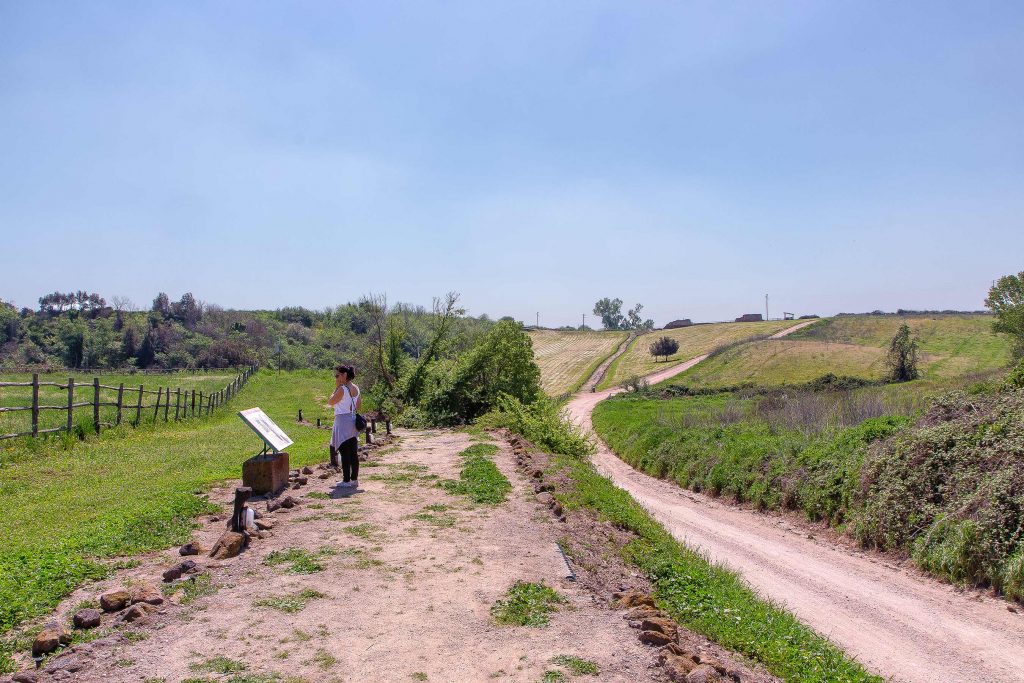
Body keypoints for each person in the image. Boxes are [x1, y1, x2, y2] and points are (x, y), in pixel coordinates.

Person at [327, 364, 361, 488]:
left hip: (342, 420)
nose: (336, 377)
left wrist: (336, 388)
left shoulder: (342, 389)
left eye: (338, 375)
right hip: (352, 419)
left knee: (343, 450)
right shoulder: (356, 388)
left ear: (344, 375)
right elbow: (358, 406)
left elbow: (330, 402)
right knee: (353, 452)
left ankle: (346, 480)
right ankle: (354, 479)